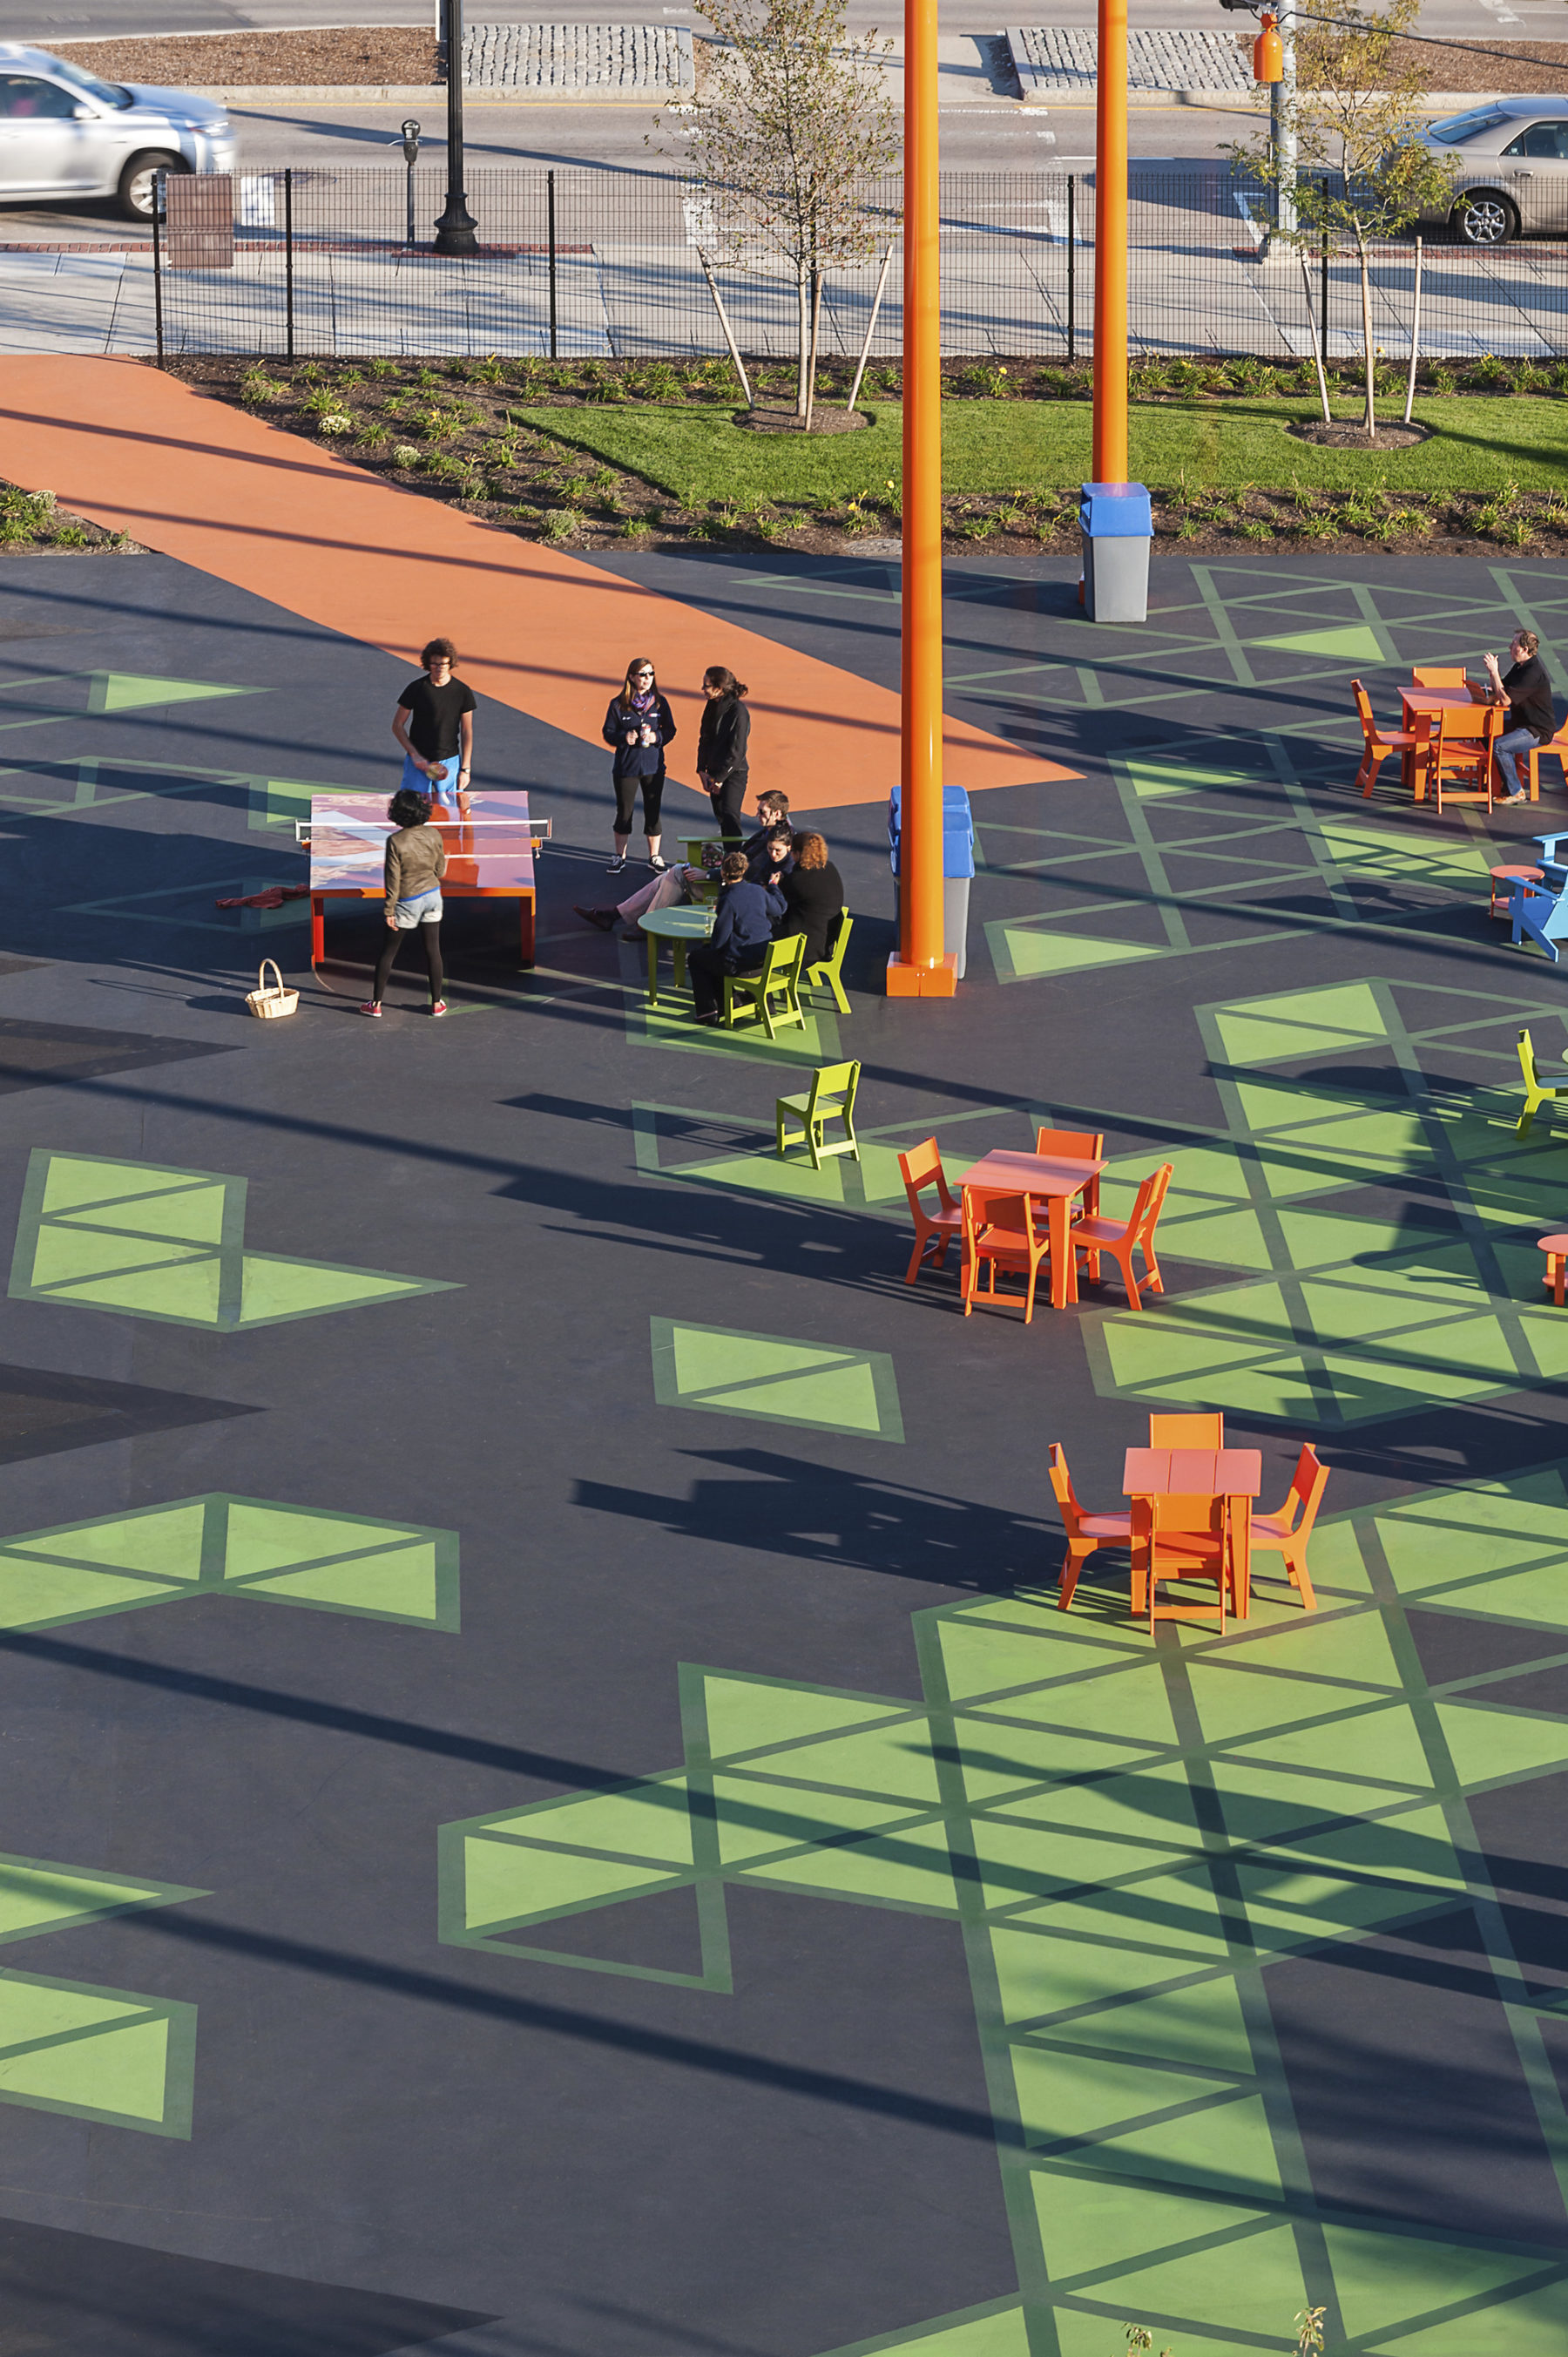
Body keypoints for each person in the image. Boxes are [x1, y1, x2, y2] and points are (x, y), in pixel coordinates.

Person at [361, 786, 448, 1018]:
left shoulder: (395, 841)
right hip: (433, 897)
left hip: (407, 901)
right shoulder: (434, 834)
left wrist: (389, 909)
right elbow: (441, 869)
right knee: (433, 950)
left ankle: (376, 1004)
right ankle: (437, 1004)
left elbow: (393, 879)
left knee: (389, 952)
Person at [686, 850, 785, 1025]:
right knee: (711, 956)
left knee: (697, 958)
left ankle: (708, 1011)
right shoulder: (757, 891)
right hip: (765, 959)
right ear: (744, 871)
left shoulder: (729, 899)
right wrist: (773, 886)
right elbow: (779, 909)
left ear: (723, 873)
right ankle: (735, 1001)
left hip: (742, 964)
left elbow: (720, 940)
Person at [601, 657, 675, 874]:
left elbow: (671, 730)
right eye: (643, 674)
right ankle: (619, 856)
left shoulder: (660, 703)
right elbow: (608, 732)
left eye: (651, 674)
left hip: (653, 767)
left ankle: (654, 856)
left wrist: (656, 737)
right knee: (625, 811)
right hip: (627, 768)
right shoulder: (618, 704)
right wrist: (625, 737)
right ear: (632, 677)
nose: (647, 679)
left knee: (653, 810)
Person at [574, 842, 723, 938]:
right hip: (724, 881)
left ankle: (647, 926)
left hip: (725, 891)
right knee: (667, 877)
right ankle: (614, 916)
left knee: (676, 872)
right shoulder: (747, 844)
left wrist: (708, 874)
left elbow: (745, 871)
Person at [393, 638, 474, 811]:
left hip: (450, 762)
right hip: (418, 762)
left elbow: (467, 731)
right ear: (428, 664)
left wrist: (465, 769)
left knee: (450, 812)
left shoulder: (462, 692)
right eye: (434, 664)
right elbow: (397, 725)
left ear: (450, 663)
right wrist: (414, 755)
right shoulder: (416, 689)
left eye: (443, 664)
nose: (439, 668)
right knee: (412, 811)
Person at [1484, 630, 1558, 803]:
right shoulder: (1520, 666)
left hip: (1537, 730)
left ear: (1524, 649)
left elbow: (1506, 700)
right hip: (1521, 723)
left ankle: (1516, 791)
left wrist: (1494, 672)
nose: (1510, 647)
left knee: (1499, 746)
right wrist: (1491, 676)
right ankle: (1495, 781)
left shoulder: (1532, 673)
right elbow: (1502, 688)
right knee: (1485, 735)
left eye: (1514, 644)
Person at [775, 830, 845, 970]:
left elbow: (777, 902)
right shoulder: (830, 868)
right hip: (824, 941)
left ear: (799, 853)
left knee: (757, 937)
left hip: (804, 949)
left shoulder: (798, 880)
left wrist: (774, 884)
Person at [696, 667, 751, 843]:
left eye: (706, 686)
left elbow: (737, 751)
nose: (703, 689)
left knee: (730, 817)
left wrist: (720, 778)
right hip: (714, 773)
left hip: (734, 774)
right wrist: (702, 770)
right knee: (722, 818)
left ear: (719, 688)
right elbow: (704, 738)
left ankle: (735, 863)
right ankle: (728, 859)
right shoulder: (712, 706)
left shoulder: (738, 712)